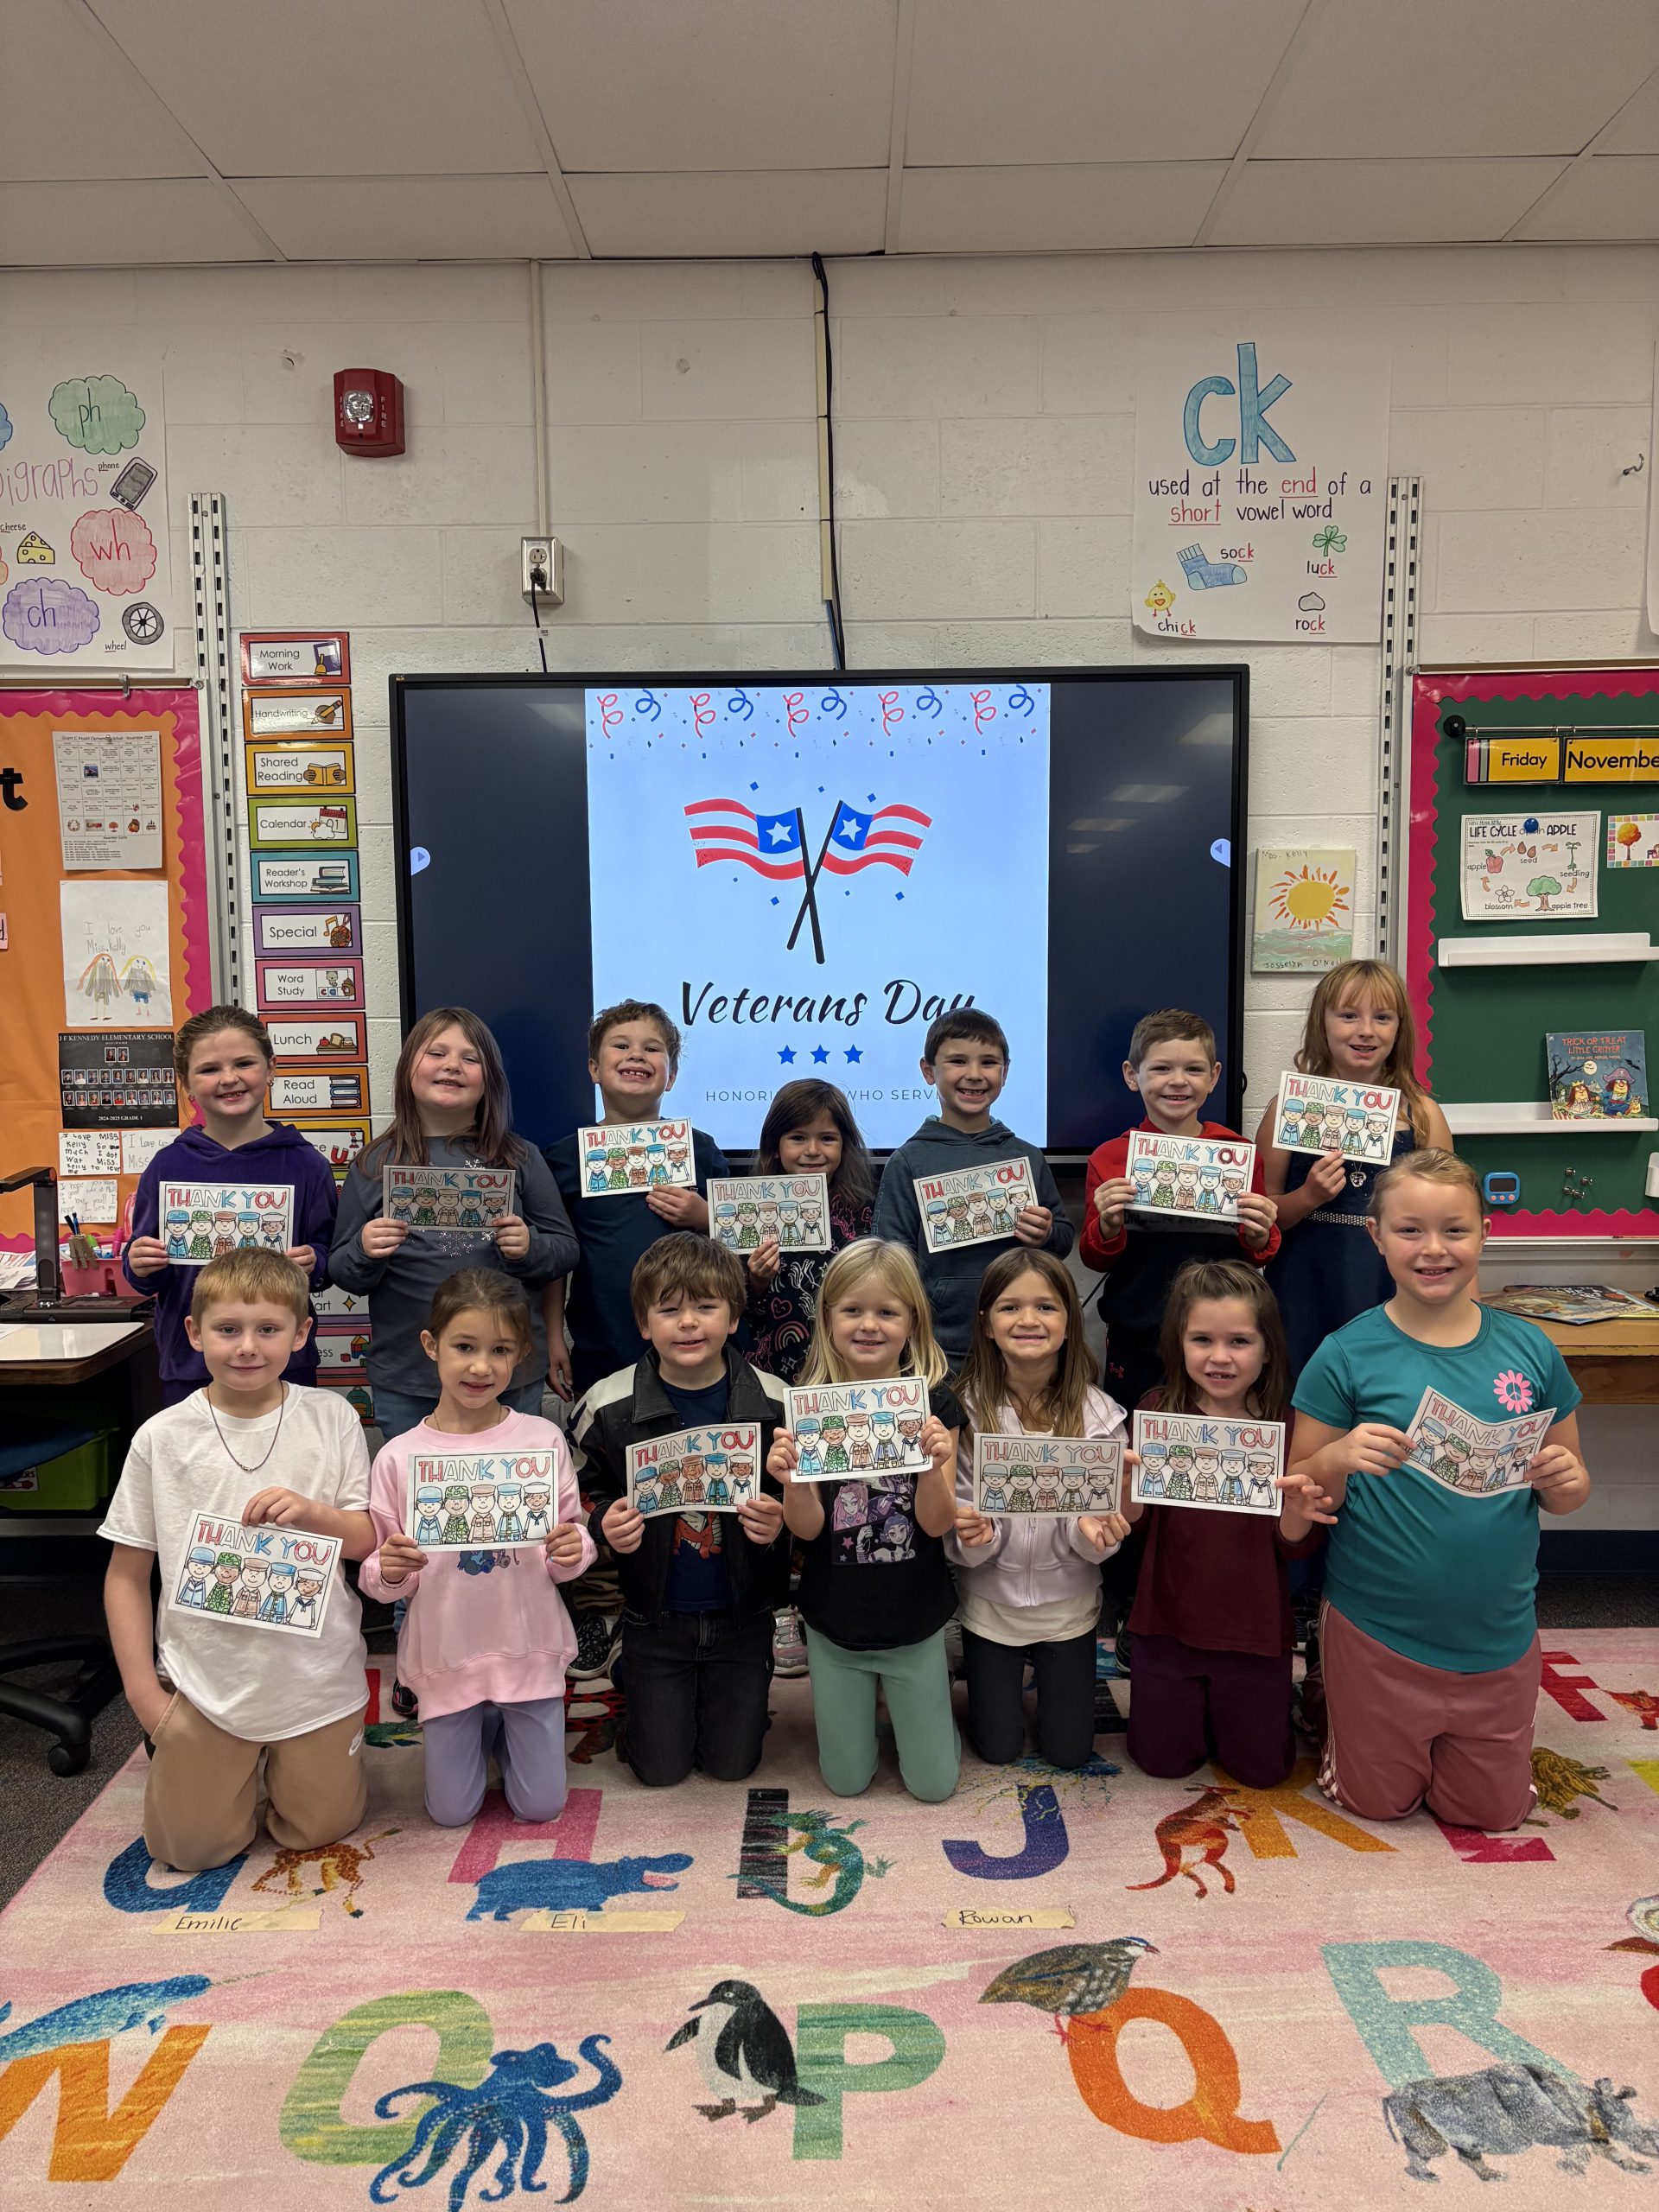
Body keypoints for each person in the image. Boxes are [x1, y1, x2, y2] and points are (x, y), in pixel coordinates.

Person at [1282, 1151, 1589, 1832]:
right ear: (1376, 1237)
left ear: (1485, 1232)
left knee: (1491, 1814)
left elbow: (1568, 1490)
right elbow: (1297, 1505)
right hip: (1378, 1633)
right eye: (1410, 1230)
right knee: (1376, 1806)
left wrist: (1567, 1480)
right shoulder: (1345, 1353)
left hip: (1497, 1639)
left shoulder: (1532, 1350)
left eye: (1455, 1230)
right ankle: (1328, 1695)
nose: (1433, 1249)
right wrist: (1337, 1454)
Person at [329, 1007, 577, 1716]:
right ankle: (419, 1671)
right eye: (435, 1052)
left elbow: (566, 1250)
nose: (450, 1066)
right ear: (410, 1068)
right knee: (415, 1540)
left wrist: (526, 1245)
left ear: (487, 1079)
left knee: (514, 1530)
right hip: (410, 1381)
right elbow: (344, 1268)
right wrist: (367, 1250)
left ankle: (521, 1664)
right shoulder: (377, 1162)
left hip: (510, 1378)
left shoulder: (517, 1159)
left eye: (468, 1057)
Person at [100, 1250, 374, 1872]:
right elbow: (125, 1575)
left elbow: (364, 1540)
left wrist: (313, 1515)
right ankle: (214, 1761)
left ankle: (289, 1761)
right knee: (187, 1851)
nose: (247, 1347)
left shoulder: (331, 1418)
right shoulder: (162, 1438)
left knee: (318, 1830)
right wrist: (145, 1696)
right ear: (195, 1333)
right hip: (206, 1683)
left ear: (302, 1333)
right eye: (228, 1330)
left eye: (268, 1330)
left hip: (314, 1678)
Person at [359, 1268, 594, 1827]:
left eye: (500, 1350)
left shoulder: (542, 1440)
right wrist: (389, 1570)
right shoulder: (398, 1457)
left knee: (541, 1807)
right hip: (449, 1654)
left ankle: (507, 1723)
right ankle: (485, 1724)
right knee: (450, 1812)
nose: (481, 1366)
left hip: (528, 1647)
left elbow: (572, 1543)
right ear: (431, 1345)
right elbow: (383, 1571)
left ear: (521, 1356)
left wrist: (573, 1548)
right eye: (464, 1347)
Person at [543, 1000, 729, 1679]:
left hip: (687, 1355)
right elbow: (555, 1257)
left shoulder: (699, 1151)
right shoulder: (564, 1159)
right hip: (601, 1346)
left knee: (687, 1470)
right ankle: (599, 1607)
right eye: (621, 1046)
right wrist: (552, 1336)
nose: (637, 1056)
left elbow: (734, 1252)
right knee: (602, 1478)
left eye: (653, 1048)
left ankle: (691, 1603)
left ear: (671, 1074)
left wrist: (704, 1214)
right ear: (594, 1067)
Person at [571, 1234, 788, 1788]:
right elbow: (574, 1494)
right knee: (659, 1771)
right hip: (654, 1617)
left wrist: (781, 1519)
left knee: (731, 1766)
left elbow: (809, 1503)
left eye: (706, 1307)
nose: (688, 1323)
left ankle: (727, 1694)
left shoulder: (777, 1403)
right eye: (669, 1310)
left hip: (743, 1618)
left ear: (734, 1316)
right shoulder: (606, 1406)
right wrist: (603, 1522)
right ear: (644, 1324)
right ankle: (632, 1667)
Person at [767, 1239, 963, 1802]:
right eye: (853, 1310)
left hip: (915, 1620)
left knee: (934, 1787)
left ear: (912, 1321)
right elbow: (805, 1531)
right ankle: (875, 1712)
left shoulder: (934, 1405)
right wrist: (792, 1481)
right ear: (827, 1319)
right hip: (837, 1626)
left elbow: (934, 1524)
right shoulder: (808, 1405)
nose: (869, 1325)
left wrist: (933, 1466)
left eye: (887, 1311)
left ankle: (919, 1714)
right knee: (845, 1782)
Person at [1120, 1258, 1319, 1789]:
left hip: (1253, 1630)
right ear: (1179, 1344)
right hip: (1167, 1624)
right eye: (1202, 1339)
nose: (1219, 1357)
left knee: (1264, 1773)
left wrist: (1298, 1511)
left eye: (1239, 1342)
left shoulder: (1288, 1423)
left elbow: (1293, 1546)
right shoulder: (1158, 1411)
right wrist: (1123, 1484)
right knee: (1161, 1762)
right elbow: (1132, 1527)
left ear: (1268, 1347)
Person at [948, 1250, 1130, 1770]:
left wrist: (1094, 1535)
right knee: (999, 1750)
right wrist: (975, 1536)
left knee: (1070, 1753)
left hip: (1067, 1610)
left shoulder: (1100, 1415)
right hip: (990, 1608)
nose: (1029, 1321)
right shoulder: (966, 1412)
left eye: (1047, 1307)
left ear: (1071, 1323)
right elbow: (959, 1513)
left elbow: (1105, 1525)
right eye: (1010, 1308)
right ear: (985, 1325)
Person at [123, 1005, 339, 1405]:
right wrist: (139, 1263)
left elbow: (328, 1257)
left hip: (283, 1364)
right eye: (208, 1069)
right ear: (186, 1083)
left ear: (271, 1068)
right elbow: (145, 1272)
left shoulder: (307, 1165)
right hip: (191, 1363)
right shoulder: (168, 1164)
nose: (229, 1079)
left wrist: (315, 1261)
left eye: (244, 1063)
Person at [1256, 960, 1454, 1380]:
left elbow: (1453, 1219)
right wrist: (1308, 1196)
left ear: (1399, 1029)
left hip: (1391, 1287)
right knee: (1302, 1403)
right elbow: (1263, 1218)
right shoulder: (1287, 1110)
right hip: (1303, 1287)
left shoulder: (1422, 1115)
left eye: (1382, 1017)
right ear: (1321, 1025)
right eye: (1349, 1016)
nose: (1366, 1030)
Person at [1080, 1008, 1281, 1416]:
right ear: (1132, 1075)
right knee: (1134, 1441)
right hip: (1138, 1333)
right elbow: (1094, 1257)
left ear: (1214, 1076)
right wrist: (1108, 1224)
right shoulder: (1110, 1157)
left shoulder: (1238, 1156)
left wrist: (1261, 1233)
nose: (1177, 1081)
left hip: (1218, 1338)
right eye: (1161, 1068)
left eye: (1193, 1069)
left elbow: (1258, 1253)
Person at [869, 1009, 1071, 1363]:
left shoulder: (1026, 1156)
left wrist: (1046, 1234)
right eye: (958, 1061)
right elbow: (889, 1259)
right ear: (928, 1071)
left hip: (1017, 1347)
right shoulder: (908, 1162)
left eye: (989, 1062)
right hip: (941, 1349)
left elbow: (1063, 1239)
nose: (975, 1075)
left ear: (1005, 1073)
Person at [744, 1080, 879, 1384]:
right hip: (772, 1371)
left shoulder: (866, 1213)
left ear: (845, 1145)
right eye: (798, 1138)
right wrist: (756, 1280)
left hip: (848, 1369)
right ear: (775, 1146)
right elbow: (732, 1307)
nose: (813, 1150)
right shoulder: (749, 1210)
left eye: (828, 1138)